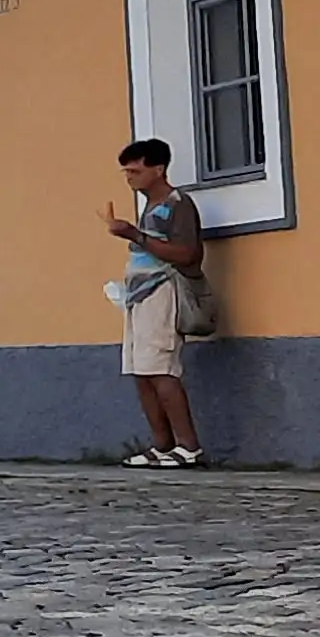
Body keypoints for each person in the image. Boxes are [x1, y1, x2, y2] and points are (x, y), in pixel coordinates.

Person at [107, 138, 208, 467]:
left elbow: (189, 254)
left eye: (135, 170)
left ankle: (188, 445)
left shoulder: (177, 204)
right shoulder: (151, 206)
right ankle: (162, 445)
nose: (129, 178)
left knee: (161, 369)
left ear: (158, 169)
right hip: (138, 296)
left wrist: (135, 236)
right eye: (126, 171)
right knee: (141, 371)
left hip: (162, 292)